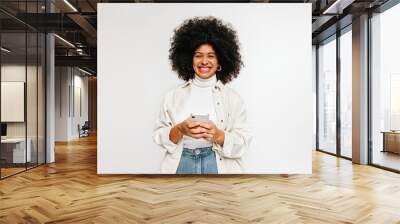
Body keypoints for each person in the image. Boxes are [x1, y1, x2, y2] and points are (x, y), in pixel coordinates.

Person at [153, 17, 252, 174]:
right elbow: (159, 135)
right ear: (190, 60)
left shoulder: (233, 99)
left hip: (217, 163)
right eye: (198, 55)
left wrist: (219, 135)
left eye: (211, 56)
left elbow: (244, 141)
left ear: (220, 61)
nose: (204, 61)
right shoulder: (172, 96)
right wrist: (179, 129)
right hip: (181, 163)